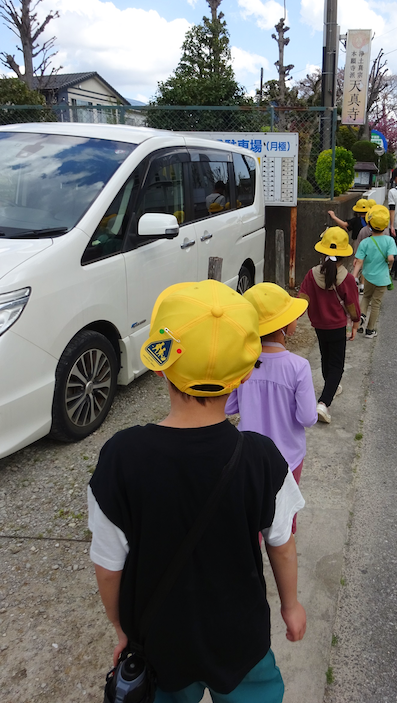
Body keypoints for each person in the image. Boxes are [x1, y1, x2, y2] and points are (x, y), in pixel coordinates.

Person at [88, 280, 306, 703]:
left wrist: (122, 630)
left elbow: (108, 566)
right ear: (244, 373)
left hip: (159, 646)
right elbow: (281, 544)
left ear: (161, 365)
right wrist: (291, 606)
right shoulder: (263, 459)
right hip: (242, 643)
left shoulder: (121, 458)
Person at [225, 283, 318, 534]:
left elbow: (230, 406)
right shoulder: (298, 367)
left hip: (249, 454)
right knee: (284, 517)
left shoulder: (243, 364)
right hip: (289, 456)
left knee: (253, 515)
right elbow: (308, 417)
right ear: (284, 327)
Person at [298, 227, 361, 424]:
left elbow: (302, 299)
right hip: (336, 326)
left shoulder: (312, 274)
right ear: (344, 254)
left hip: (318, 325)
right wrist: (355, 323)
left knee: (326, 357)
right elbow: (352, 305)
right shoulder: (346, 278)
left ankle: (331, 387)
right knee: (337, 365)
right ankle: (324, 403)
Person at [353, 207, 397, 339]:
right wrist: (389, 266)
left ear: (369, 224)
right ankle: (370, 330)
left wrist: (354, 275)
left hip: (368, 276)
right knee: (376, 303)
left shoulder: (365, 242)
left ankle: (361, 317)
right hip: (382, 278)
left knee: (366, 297)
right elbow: (391, 258)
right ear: (385, 226)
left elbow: (359, 261)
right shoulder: (390, 241)